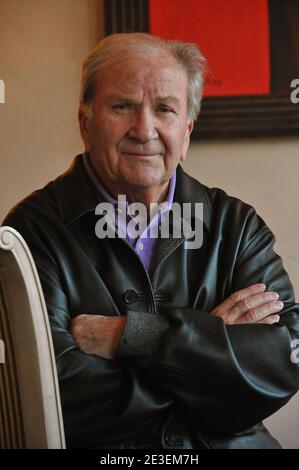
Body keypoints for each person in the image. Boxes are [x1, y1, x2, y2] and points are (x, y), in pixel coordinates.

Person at [2, 32, 299, 449]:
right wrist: (209, 352)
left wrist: (137, 335)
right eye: (123, 106)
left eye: (164, 109)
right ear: (86, 123)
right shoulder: (31, 231)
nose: (145, 129)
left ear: (187, 131)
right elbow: (54, 391)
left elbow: (284, 360)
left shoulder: (236, 225)